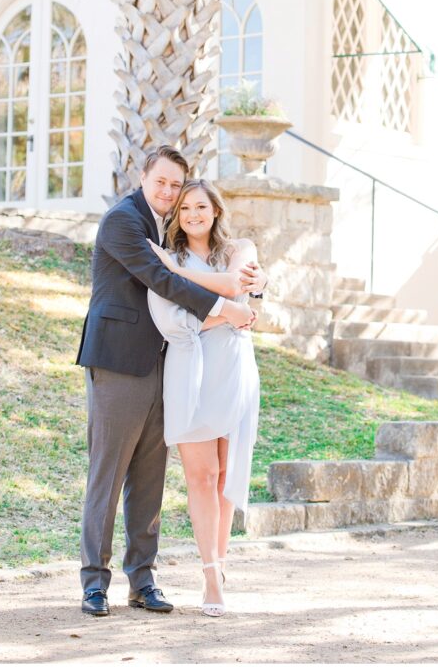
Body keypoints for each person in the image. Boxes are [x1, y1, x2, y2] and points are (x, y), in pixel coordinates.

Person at [76, 146, 267, 617]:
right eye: (160, 182)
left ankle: (142, 580)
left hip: (165, 364)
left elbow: (218, 264)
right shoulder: (123, 220)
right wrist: (230, 309)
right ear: (144, 177)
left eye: (175, 185)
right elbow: (163, 280)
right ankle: (94, 583)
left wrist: (253, 285)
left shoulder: (164, 225)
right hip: (120, 361)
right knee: (109, 473)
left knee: (149, 479)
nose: (167, 191)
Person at [147, 179, 261, 617]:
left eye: (201, 206)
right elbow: (171, 323)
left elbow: (236, 285)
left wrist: (178, 277)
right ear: (176, 216)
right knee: (201, 475)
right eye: (185, 208)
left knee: (225, 476)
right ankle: (211, 576)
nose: (193, 214)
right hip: (189, 373)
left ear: (215, 210)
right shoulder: (164, 258)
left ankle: (220, 562)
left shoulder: (239, 249)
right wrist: (228, 315)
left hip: (233, 370)